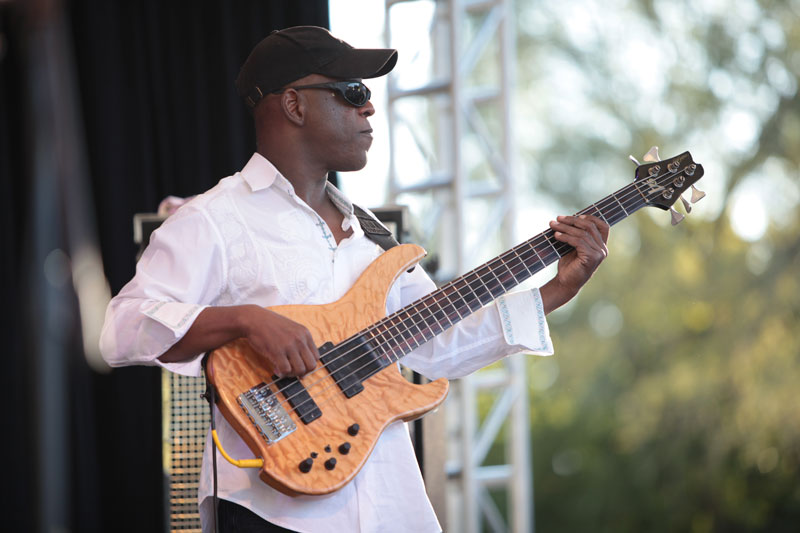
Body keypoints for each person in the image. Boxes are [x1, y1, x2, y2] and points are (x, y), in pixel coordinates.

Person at [100, 26, 609, 533]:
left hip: (391, 505)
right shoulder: (214, 218)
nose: (369, 109)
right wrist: (246, 320)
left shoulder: (371, 235)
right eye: (353, 93)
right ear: (295, 106)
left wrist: (557, 289)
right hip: (272, 510)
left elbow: (440, 345)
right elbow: (121, 327)